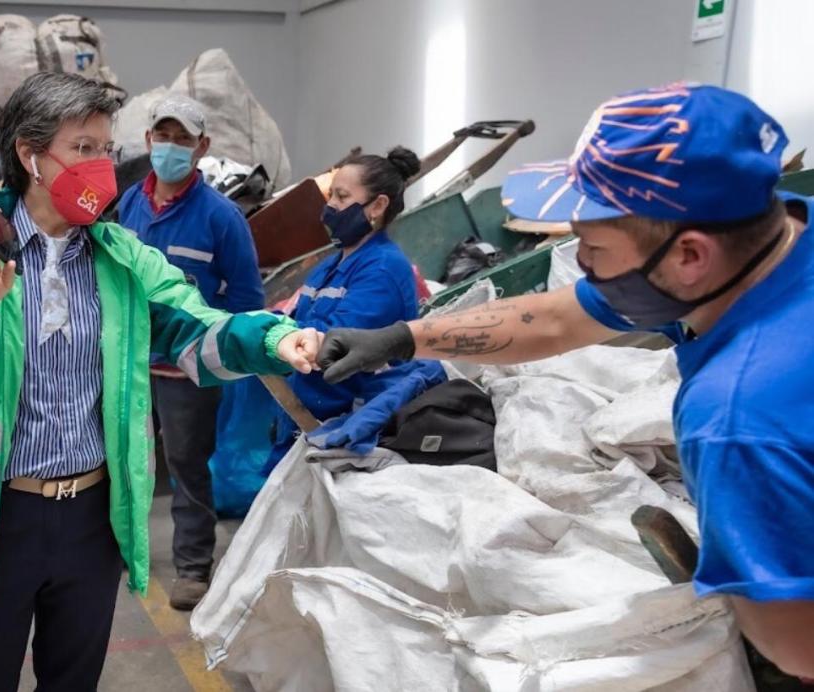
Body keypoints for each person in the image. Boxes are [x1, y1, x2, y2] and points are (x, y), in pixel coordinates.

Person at [316, 84, 814, 680]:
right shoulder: (770, 235)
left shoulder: (736, 417)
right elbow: (555, 321)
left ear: (689, 257)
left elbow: (796, 645)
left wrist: (748, 585)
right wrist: (404, 338)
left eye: (595, 249)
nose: (581, 265)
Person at [0, 72, 320, 691]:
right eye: (82, 149)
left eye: (105, 149)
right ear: (30, 156)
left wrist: (273, 338)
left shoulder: (122, 259)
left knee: (74, 680)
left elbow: (194, 330)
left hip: (92, 519)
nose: (100, 166)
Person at [116, 94, 266, 610]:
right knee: (123, 458)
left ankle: (193, 564)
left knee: (185, 464)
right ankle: (121, 551)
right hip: (128, 362)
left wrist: (203, 343)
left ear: (202, 147)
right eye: (163, 136)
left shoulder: (222, 218)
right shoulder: (129, 203)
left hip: (184, 369)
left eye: (184, 139)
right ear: (147, 141)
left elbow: (246, 299)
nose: (171, 147)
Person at [270, 146, 422, 462]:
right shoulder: (329, 265)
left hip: (346, 431)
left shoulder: (383, 268)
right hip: (305, 421)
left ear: (377, 206)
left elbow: (332, 343)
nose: (330, 207)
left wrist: (269, 334)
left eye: (341, 197)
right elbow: (296, 320)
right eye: (331, 197)